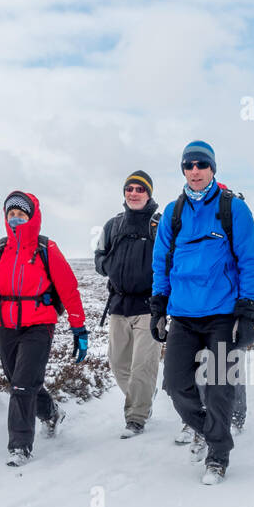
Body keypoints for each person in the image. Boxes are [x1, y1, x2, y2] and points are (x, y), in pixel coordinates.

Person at [150, 141, 254, 484]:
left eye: (201, 164)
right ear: (183, 170)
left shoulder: (233, 209)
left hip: (223, 314)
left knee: (219, 385)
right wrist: (158, 306)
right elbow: (162, 262)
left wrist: (247, 312)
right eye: (189, 165)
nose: (195, 171)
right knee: (174, 384)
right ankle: (214, 434)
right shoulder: (173, 212)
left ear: (213, 168)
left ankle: (217, 458)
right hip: (183, 314)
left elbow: (250, 260)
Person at [0, 190, 89, 467]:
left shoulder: (47, 249)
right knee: (20, 380)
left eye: (21, 214)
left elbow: (69, 290)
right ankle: (51, 413)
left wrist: (78, 328)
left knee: (22, 384)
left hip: (39, 325)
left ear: (32, 217)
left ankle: (19, 446)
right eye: (11, 214)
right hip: (5, 325)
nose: (15, 219)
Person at [95, 170, 162, 438]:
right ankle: (144, 395)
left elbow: (169, 262)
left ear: (149, 194)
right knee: (118, 363)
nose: (134, 193)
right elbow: (98, 258)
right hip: (119, 305)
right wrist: (109, 265)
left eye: (140, 189)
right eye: (129, 188)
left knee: (142, 366)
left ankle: (136, 417)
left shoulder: (158, 225)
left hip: (148, 307)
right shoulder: (112, 225)